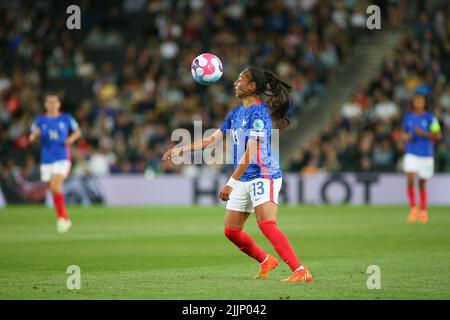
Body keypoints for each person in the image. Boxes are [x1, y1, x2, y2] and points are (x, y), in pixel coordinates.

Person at [163, 67, 312, 282]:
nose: (236, 82)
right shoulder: (236, 112)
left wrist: (230, 182)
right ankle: (266, 260)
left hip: (263, 174)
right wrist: (182, 149)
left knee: (266, 223)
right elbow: (211, 139)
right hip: (243, 177)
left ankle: (300, 270)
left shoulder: (259, 114)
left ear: (251, 87)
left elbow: (251, 152)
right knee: (231, 231)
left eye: (241, 78)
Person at [29, 94, 81, 233]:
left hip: (62, 157)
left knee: (55, 186)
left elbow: (77, 132)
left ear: (59, 104)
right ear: (46, 105)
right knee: (52, 189)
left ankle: (62, 219)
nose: (52, 105)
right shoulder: (40, 120)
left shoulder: (66, 118)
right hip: (46, 160)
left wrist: (70, 139)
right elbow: (32, 135)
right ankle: (64, 218)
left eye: (55, 102)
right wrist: (34, 135)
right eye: (49, 102)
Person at [402, 90, 442, 224]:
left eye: (420, 100)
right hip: (411, 152)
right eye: (416, 100)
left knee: (422, 183)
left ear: (424, 103)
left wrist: (423, 133)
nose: (418, 103)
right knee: (410, 177)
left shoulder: (431, 118)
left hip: (426, 154)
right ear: (413, 103)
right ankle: (413, 208)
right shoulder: (408, 117)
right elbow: (403, 133)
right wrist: (407, 137)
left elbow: (438, 136)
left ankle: (423, 210)